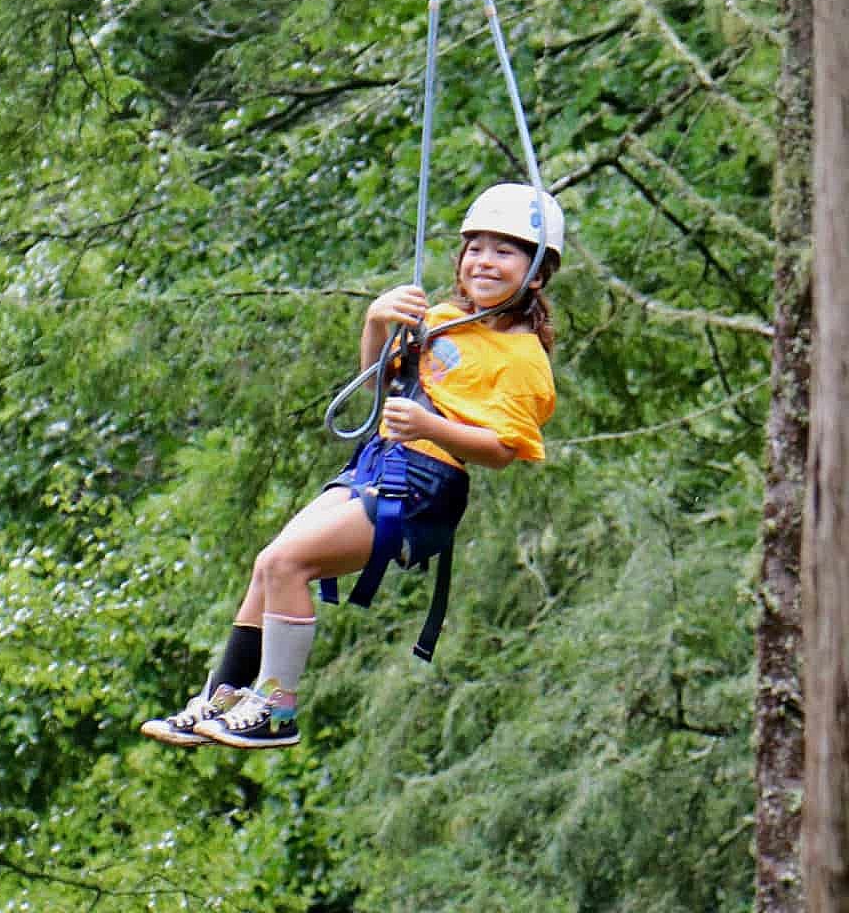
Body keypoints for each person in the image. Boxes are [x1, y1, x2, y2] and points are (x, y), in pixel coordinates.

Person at [140, 183, 564, 750]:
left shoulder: (523, 359)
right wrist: (375, 325)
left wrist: (432, 427)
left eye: (504, 252)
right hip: (378, 463)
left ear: (535, 274)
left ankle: (276, 709)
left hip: (424, 488)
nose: (484, 262)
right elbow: (379, 389)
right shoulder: (438, 320)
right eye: (475, 249)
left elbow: (504, 450)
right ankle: (224, 693)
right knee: (269, 563)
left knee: (290, 564)